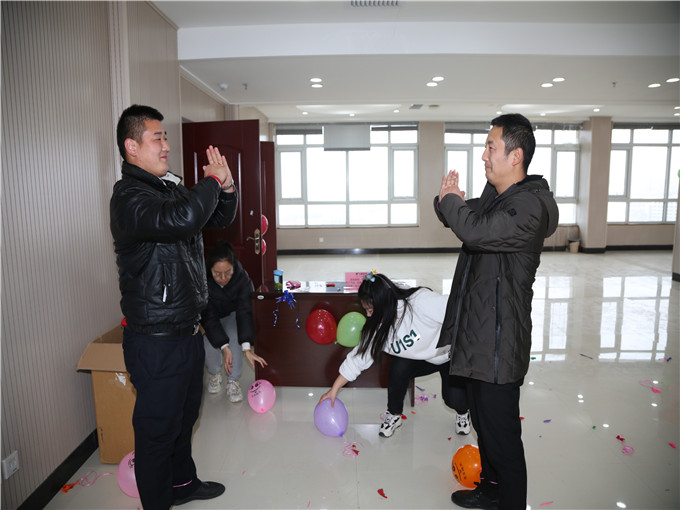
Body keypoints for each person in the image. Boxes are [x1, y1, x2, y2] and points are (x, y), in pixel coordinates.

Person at [110, 104, 238, 509]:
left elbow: (216, 216)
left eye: (166, 137)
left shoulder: (168, 188)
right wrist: (209, 181)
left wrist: (226, 187)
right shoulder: (129, 197)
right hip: (155, 341)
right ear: (132, 146)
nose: (166, 145)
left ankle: (183, 485)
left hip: (185, 332)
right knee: (157, 433)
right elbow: (183, 218)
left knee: (184, 419)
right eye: (157, 138)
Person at [434, 113, 559, 510]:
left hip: (499, 346)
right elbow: (460, 214)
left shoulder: (527, 207)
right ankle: (490, 490)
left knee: (503, 440)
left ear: (515, 156)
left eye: (491, 147)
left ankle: (510, 501)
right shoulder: (498, 196)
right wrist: (446, 198)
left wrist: (452, 203)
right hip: (480, 335)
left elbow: (474, 230)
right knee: (484, 427)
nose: (484, 155)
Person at [319, 273, 470, 438]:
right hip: (421, 359)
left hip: (449, 355)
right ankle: (394, 414)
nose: (368, 315)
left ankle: (463, 412)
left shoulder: (420, 302)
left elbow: (458, 309)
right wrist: (333, 390)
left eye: (370, 310)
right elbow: (357, 359)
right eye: (366, 310)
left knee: (454, 400)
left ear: (383, 304)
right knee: (399, 367)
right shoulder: (379, 328)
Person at [202, 240, 267, 401]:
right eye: (217, 274)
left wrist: (247, 348)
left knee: (235, 337)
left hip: (233, 314)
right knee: (210, 344)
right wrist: (223, 347)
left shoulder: (242, 279)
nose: (223, 278)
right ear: (210, 270)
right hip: (212, 317)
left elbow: (244, 312)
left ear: (234, 267)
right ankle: (214, 374)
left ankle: (233, 381)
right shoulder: (203, 282)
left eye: (228, 272)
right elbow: (209, 317)